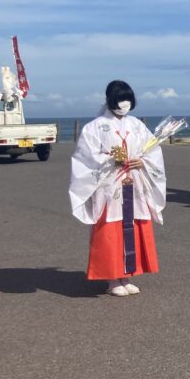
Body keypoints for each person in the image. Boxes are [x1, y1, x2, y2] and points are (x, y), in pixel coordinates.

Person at [69, 81, 166, 296]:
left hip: (135, 183)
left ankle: (127, 275)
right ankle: (112, 279)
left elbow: (152, 151)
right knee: (111, 231)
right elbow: (85, 157)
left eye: (128, 100)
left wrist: (143, 162)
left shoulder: (137, 125)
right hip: (109, 186)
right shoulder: (94, 127)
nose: (124, 105)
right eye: (120, 100)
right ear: (109, 100)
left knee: (133, 227)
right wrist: (110, 160)